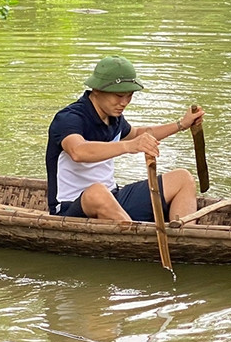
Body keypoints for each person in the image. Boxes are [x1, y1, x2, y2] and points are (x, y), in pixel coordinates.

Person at [45, 56, 205, 222]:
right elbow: (78, 151)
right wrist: (129, 146)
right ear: (97, 90)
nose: (124, 102)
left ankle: (182, 240)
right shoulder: (69, 118)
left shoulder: (114, 118)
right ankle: (134, 236)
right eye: (119, 96)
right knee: (97, 192)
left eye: (129, 96)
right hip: (71, 207)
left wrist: (181, 124)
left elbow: (137, 134)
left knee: (183, 178)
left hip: (113, 198)